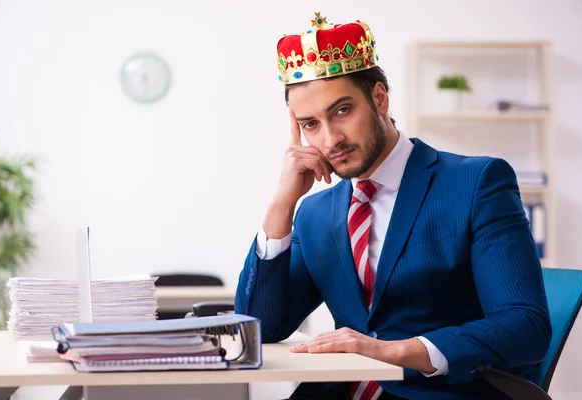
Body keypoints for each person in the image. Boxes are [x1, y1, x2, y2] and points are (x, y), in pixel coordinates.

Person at [234, 12, 551, 400]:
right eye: (311, 124)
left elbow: (525, 327)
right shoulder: (315, 213)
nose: (331, 139)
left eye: (342, 111)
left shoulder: (477, 182)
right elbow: (259, 330)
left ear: (379, 98)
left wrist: (392, 351)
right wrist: (281, 205)